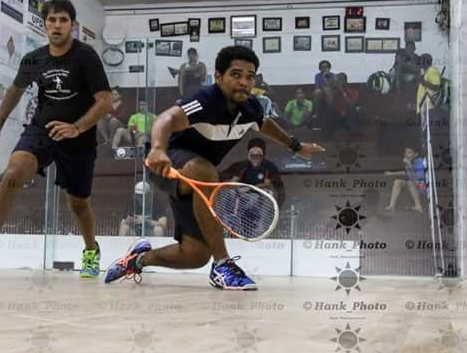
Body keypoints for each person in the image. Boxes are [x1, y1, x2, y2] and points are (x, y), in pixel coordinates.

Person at [105, 46, 325, 290]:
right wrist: (157, 149)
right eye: (236, 74)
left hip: (197, 176)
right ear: (219, 77)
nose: (244, 82)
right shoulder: (205, 101)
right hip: (165, 161)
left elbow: (264, 124)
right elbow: (167, 118)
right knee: (206, 171)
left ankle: (138, 259)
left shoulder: (251, 108)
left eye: (250, 76)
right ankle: (223, 264)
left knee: (195, 255)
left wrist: (296, 146)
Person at [0, 0, 112, 278]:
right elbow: (14, 91)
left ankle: (91, 250)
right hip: (42, 129)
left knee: (78, 203)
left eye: (63, 20)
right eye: (52, 20)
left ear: (72, 26)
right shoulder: (34, 59)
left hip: (78, 138)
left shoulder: (86, 56)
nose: (57, 25)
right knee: (14, 172)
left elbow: (104, 101)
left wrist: (77, 127)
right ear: (44, 25)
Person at [220, 138, 285, 207]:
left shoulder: (269, 167)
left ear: (263, 155)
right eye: (253, 155)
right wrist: (236, 187)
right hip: (242, 192)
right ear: (248, 155)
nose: (255, 158)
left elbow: (268, 184)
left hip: (258, 194)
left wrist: (250, 188)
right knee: (230, 193)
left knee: (255, 198)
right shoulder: (240, 166)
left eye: (258, 155)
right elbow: (231, 181)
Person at [384, 147, 426, 213]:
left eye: (409, 152)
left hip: (422, 187)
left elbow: (417, 181)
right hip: (414, 187)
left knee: (410, 182)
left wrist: (409, 164)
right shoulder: (410, 162)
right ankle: (391, 206)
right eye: (405, 152)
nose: (406, 154)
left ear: (416, 154)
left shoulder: (420, 163)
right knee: (397, 182)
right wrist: (391, 173)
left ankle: (418, 206)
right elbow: (406, 172)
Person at [312, 60, 336, 126]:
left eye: (326, 67)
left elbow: (333, 86)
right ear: (320, 68)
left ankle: (330, 112)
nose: (325, 68)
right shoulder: (317, 76)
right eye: (323, 67)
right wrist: (324, 88)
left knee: (328, 90)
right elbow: (317, 87)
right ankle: (316, 113)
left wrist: (326, 77)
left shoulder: (333, 75)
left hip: (331, 92)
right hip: (321, 93)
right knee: (317, 92)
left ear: (329, 68)